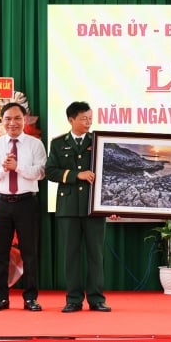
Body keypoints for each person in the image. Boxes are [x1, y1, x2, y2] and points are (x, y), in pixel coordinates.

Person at [45, 101, 112, 313]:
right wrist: (76, 175)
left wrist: (112, 203)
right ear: (71, 120)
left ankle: (96, 299)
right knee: (71, 255)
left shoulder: (98, 141)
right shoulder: (57, 144)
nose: (88, 122)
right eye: (84, 119)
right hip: (68, 207)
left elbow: (108, 173)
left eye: (90, 118)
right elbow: (51, 172)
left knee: (95, 254)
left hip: (94, 208)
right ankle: (73, 299)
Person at [0, 102, 47, 312]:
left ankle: (30, 298)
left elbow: (40, 173)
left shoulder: (35, 145)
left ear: (25, 120)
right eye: (8, 119)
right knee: (0, 254)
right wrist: (3, 168)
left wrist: (16, 167)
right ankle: (1, 297)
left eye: (17, 118)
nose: (13, 123)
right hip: (1, 203)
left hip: (26, 202)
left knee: (30, 253)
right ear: (2, 122)